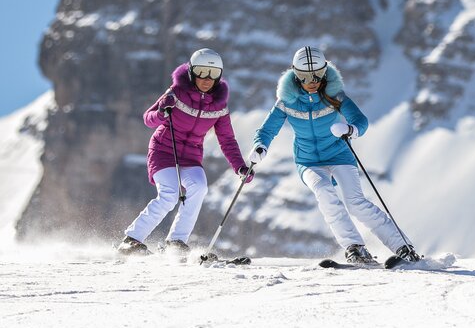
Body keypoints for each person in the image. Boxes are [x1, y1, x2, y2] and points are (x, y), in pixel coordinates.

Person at [249, 46, 419, 266]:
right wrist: (260, 146)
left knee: (356, 202)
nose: (313, 81)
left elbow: (360, 121)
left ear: (325, 71)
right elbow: (266, 130)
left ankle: (403, 248)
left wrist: (350, 130)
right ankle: (355, 248)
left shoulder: (334, 95)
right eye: (305, 76)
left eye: (318, 74)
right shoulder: (286, 101)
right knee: (324, 191)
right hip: (308, 161)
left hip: (340, 155)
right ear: (295, 74)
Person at [117, 48, 252, 257]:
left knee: (199, 187)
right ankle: (131, 240)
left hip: (191, 156)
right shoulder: (176, 92)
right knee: (170, 194)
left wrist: (240, 167)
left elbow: (227, 139)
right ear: (191, 72)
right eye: (202, 72)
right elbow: (148, 118)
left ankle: (176, 242)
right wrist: (162, 111)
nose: (207, 79)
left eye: (213, 74)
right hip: (163, 150)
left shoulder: (219, 106)